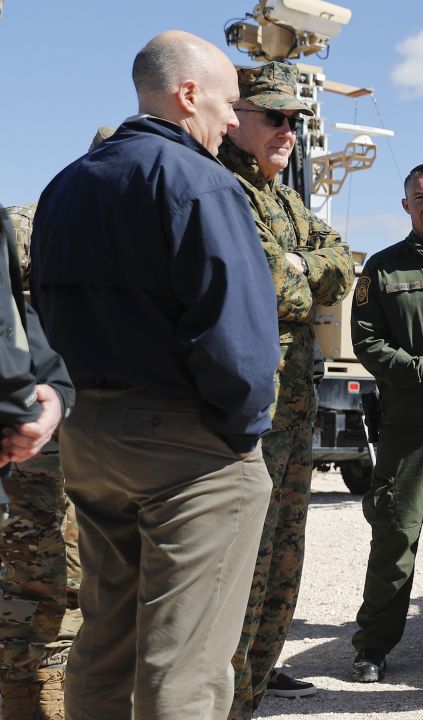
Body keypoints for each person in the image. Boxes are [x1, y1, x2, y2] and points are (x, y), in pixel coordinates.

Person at [29, 30, 279, 720]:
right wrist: (241, 435)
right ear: (188, 94)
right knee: (185, 665)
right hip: (189, 447)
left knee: (106, 641)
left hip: (91, 439)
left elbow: (44, 311)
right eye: (229, 103)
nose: (235, 120)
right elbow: (237, 336)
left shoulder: (65, 184)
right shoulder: (199, 180)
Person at [218, 61, 354, 716]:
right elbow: (269, 286)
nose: (288, 132)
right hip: (249, 418)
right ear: (233, 116)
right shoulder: (224, 189)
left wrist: (302, 263)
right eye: (273, 117)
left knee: (283, 563)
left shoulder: (284, 197)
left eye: (294, 121)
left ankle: (253, 688)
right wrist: (298, 269)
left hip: (293, 416)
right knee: (243, 571)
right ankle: (225, 698)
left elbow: (341, 260)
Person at [348, 162, 423, 683]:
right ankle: (372, 647)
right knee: (394, 538)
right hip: (408, 425)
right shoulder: (382, 268)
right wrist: (422, 370)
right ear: (406, 206)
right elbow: (366, 341)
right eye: (419, 197)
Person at [0, 201, 76, 720]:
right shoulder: (35, 222)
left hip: (68, 409)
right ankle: (30, 694)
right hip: (36, 422)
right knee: (38, 560)